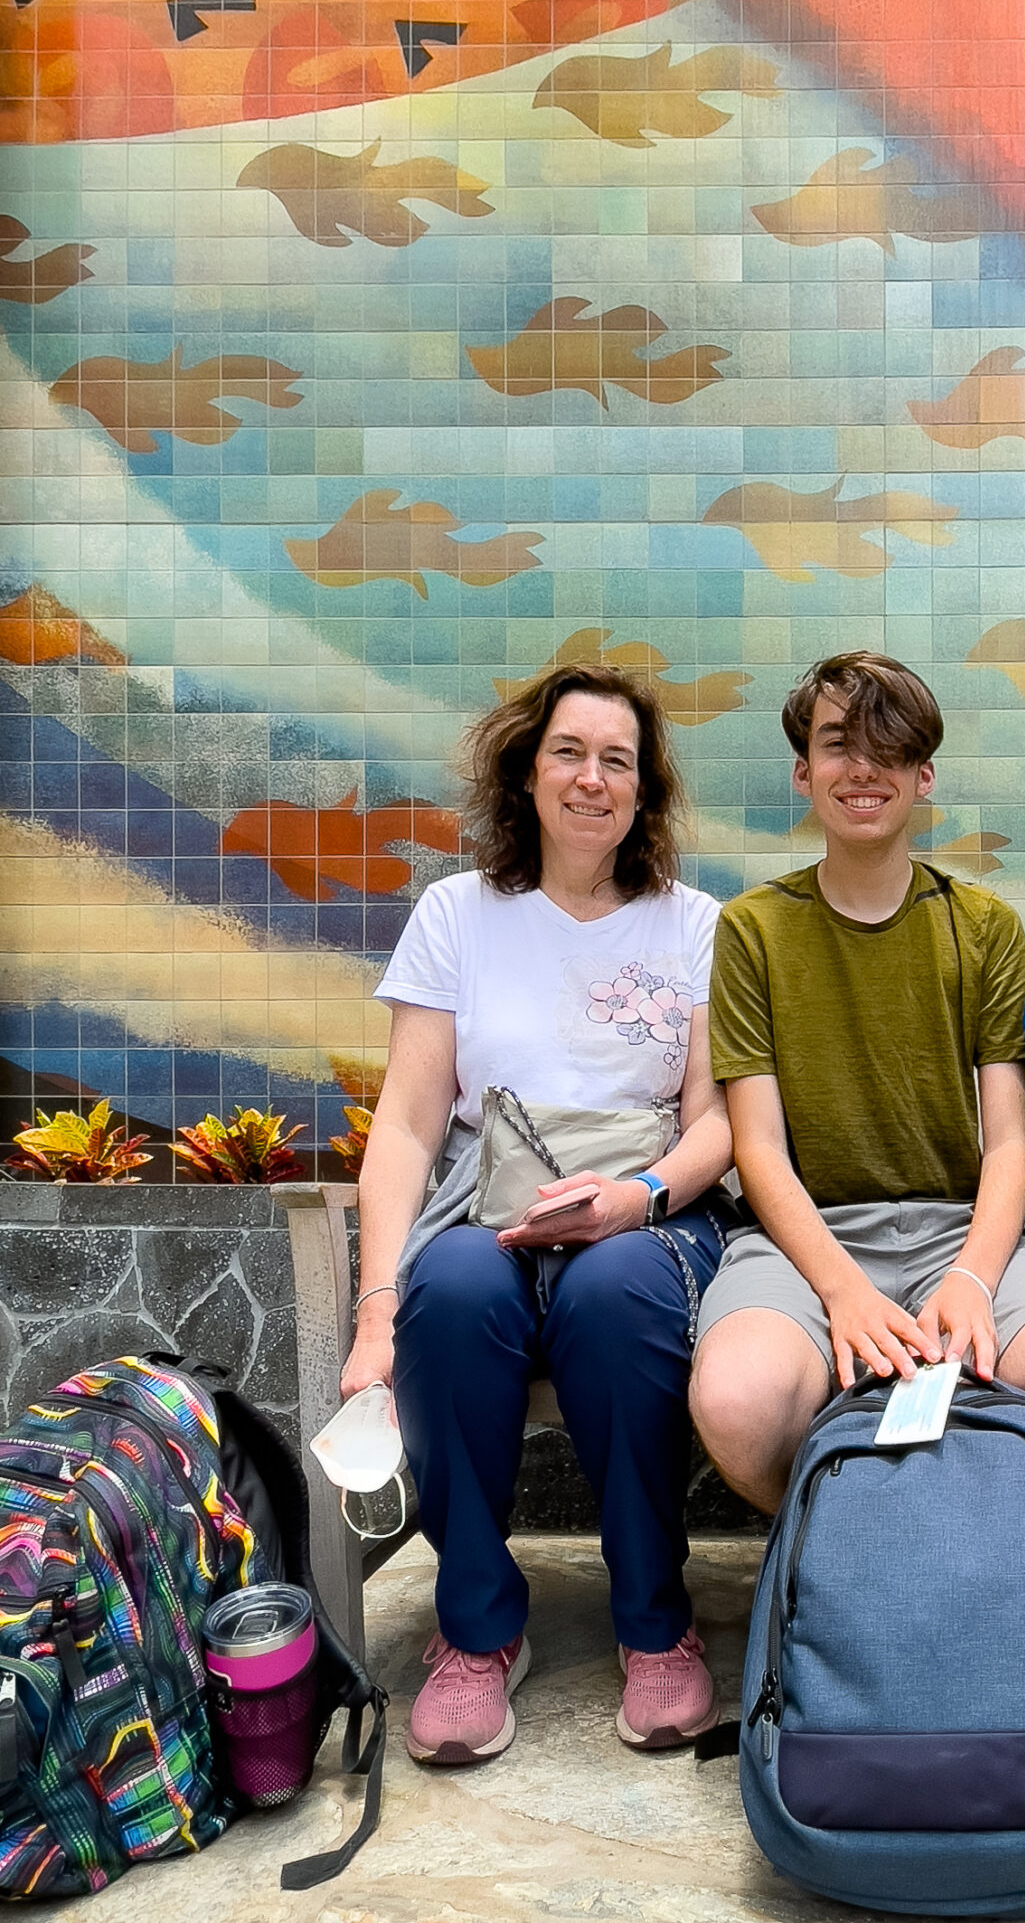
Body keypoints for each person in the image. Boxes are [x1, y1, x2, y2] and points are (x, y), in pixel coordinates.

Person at [341, 664, 734, 1764]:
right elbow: (410, 1129)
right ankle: (475, 1626)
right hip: (484, 1209)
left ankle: (655, 1620)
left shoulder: (694, 924)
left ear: (644, 790)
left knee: (615, 1296)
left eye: (619, 759)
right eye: (570, 750)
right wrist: (376, 1309)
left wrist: (635, 1200)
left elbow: (717, 1123)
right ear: (526, 768)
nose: (592, 777)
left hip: (647, 1214)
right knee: (453, 1288)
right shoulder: (456, 915)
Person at [689, 650, 1025, 1511]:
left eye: (887, 748)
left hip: (961, 1231)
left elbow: (1010, 1141)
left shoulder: (983, 927)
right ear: (803, 771)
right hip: (803, 1239)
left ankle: (969, 1547)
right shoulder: (752, 930)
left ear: (923, 775)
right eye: (836, 744)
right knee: (736, 1404)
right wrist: (842, 1290)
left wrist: (972, 1278)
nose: (862, 767)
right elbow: (757, 1148)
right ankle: (846, 1541)